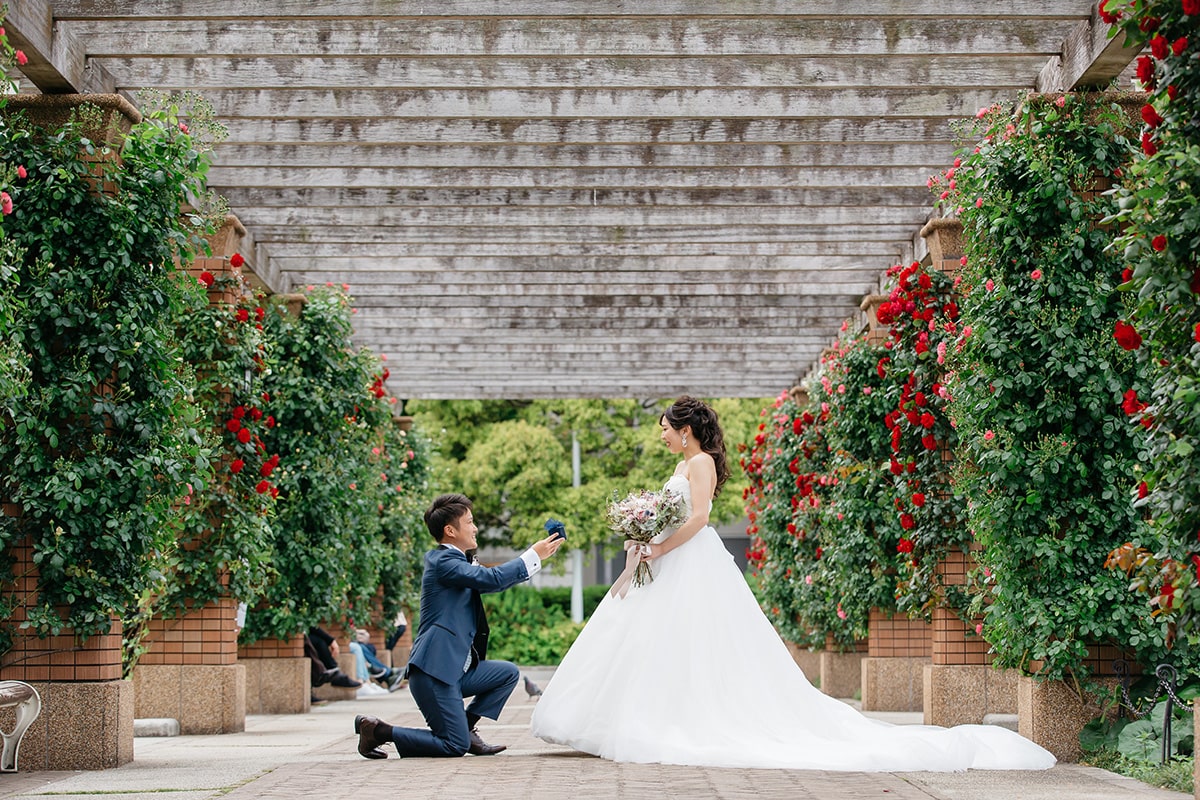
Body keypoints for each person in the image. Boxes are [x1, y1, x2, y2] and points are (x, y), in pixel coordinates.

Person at [530, 396, 1056, 771]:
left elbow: (701, 519)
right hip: (667, 559)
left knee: (687, 640)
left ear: (684, 429)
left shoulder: (701, 464)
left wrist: (661, 544)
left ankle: (670, 718)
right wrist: (647, 531)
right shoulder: (686, 462)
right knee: (650, 639)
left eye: (665, 427)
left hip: (687, 559)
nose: (661, 434)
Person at [354, 493, 565, 759]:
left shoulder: (456, 562)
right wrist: (533, 556)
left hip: (454, 671)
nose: (475, 528)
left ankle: (465, 730)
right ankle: (379, 731)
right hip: (434, 672)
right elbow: (492, 579)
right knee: (452, 746)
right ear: (450, 530)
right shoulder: (442, 562)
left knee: (508, 674)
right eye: (470, 522)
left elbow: (492, 580)